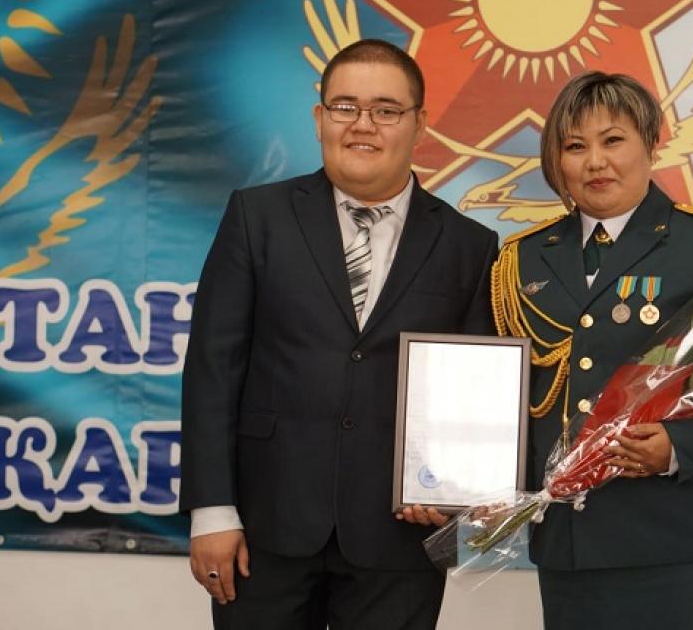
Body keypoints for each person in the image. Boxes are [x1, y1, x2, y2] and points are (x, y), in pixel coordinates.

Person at [179, 39, 498, 629]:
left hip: (398, 535)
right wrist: (212, 511)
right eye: (345, 106)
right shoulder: (257, 217)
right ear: (319, 117)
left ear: (419, 124)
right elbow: (212, 370)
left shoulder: (468, 245)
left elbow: (473, 390)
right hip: (266, 525)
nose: (363, 125)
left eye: (386, 110)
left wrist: (454, 491)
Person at [491, 71, 693, 629]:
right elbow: (499, 389)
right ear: (556, 161)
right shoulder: (522, 259)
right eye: (575, 146)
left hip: (686, 539)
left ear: (651, 143)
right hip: (573, 544)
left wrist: (676, 448)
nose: (595, 162)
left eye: (613, 140)